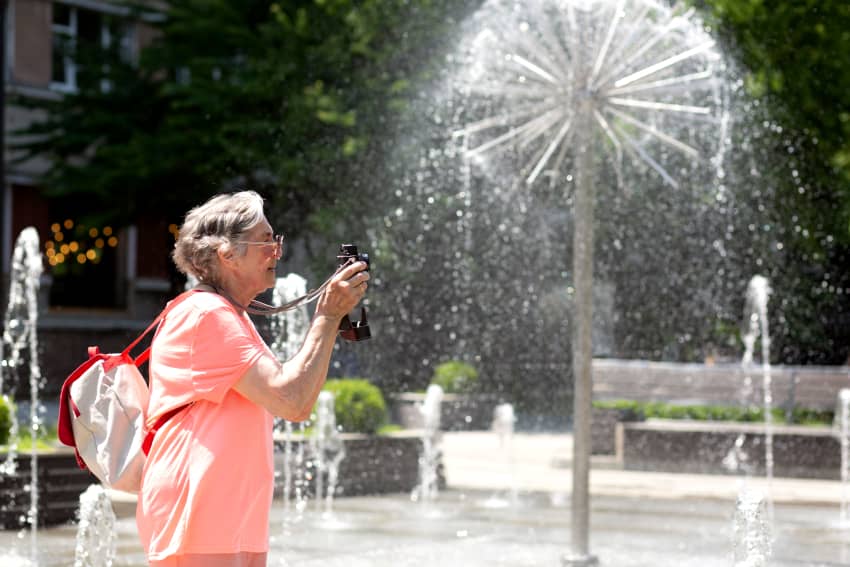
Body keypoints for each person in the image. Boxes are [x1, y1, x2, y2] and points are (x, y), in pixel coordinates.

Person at [136, 190, 369, 567]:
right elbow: (291, 399)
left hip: (226, 515)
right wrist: (327, 316)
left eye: (275, 241)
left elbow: (295, 396)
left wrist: (330, 316)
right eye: (265, 241)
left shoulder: (226, 313)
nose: (276, 251)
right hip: (200, 515)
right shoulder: (208, 314)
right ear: (227, 254)